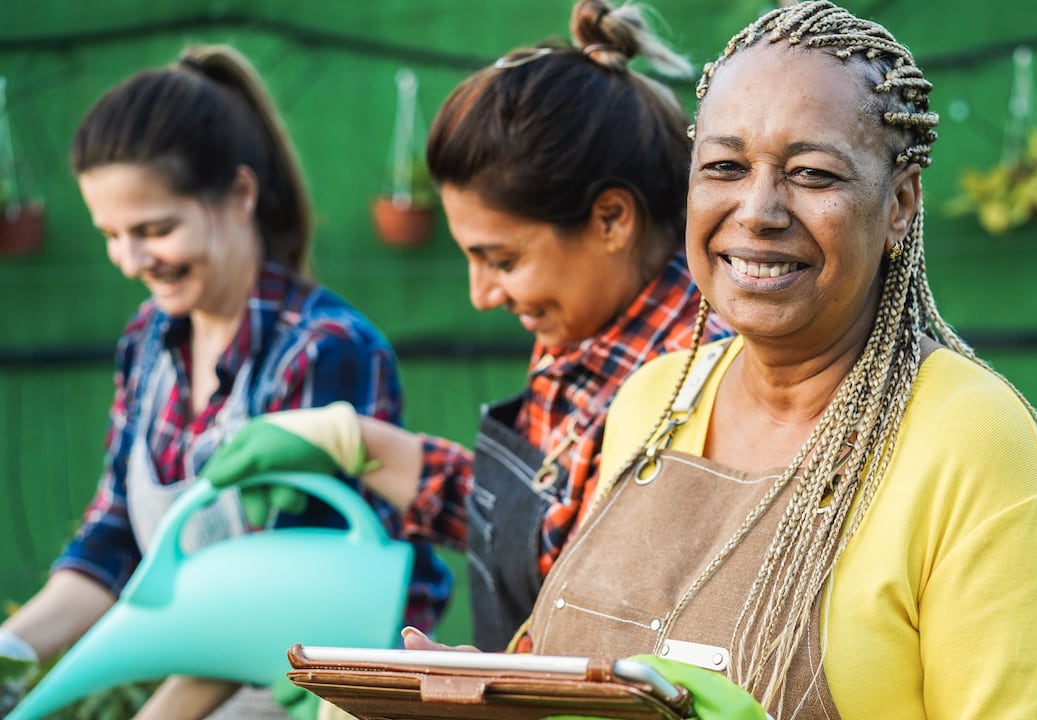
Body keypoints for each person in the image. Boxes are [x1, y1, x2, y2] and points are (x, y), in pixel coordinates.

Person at [419, 3, 1037, 719]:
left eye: (812, 174)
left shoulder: (973, 446)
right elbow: (563, 674)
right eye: (725, 167)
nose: (759, 209)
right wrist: (477, 692)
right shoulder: (652, 403)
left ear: (899, 203)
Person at [198, 0, 733, 657]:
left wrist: (483, 683)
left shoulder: (698, 379)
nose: (482, 296)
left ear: (612, 220)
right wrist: (351, 443)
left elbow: (634, 630)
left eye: (502, 260)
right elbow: (534, 529)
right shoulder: (588, 340)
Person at [0, 45, 450, 719]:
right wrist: (13, 653)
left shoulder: (323, 350)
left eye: (156, 229)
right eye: (112, 234)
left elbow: (286, 603)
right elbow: (115, 539)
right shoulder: (148, 341)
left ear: (240, 194)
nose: (131, 259)